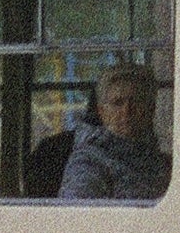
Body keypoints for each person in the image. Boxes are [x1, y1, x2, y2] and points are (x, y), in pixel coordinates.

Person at [59, 64, 171, 203]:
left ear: (151, 108)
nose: (127, 111)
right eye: (117, 103)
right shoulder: (88, 163)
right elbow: (79, 213)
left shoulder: (163, 163)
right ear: (102, 112)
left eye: (136, 101)